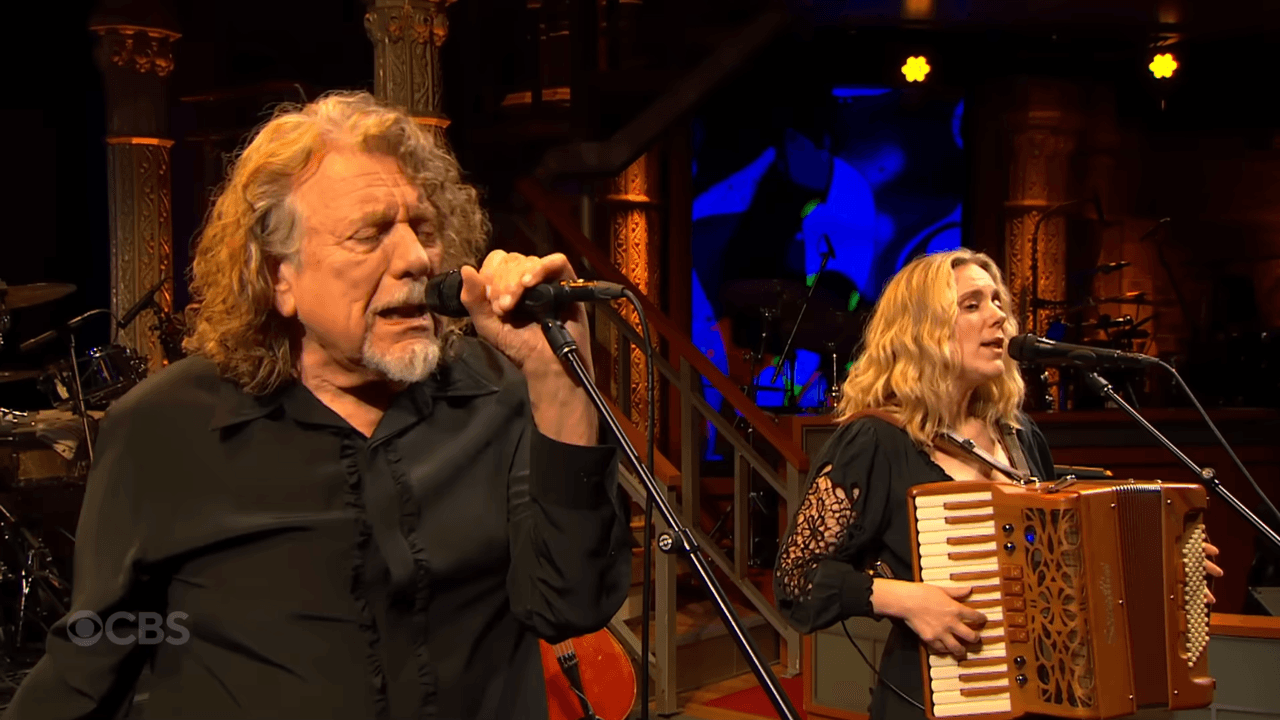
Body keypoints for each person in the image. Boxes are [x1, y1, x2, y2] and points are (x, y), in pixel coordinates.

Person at [5, 92, 632, 720]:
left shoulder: (500, 393)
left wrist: (558, 380)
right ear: (278, 276)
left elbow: (571, 604)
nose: (416, 259)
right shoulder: (164, 427)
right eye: (370, 234)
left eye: (423, 229)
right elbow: (93, 660)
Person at [772, 248, 1223, 719]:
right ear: (921, 329)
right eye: (971, 305)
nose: (999, 317)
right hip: (929, 696)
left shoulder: (1019, 434)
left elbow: (1065, 569)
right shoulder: (876, 440)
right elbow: (796, 580)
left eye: (997, 302)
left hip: (1039, 698)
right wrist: (906, 600)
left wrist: (1166, 566)